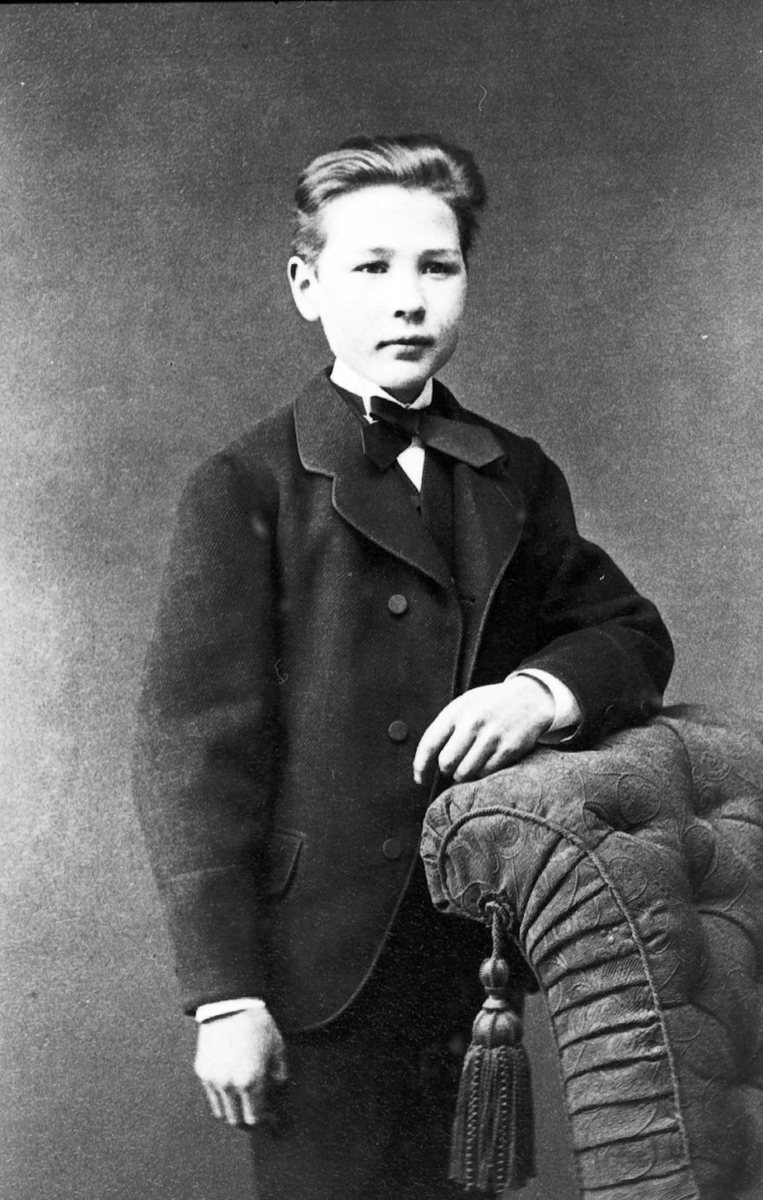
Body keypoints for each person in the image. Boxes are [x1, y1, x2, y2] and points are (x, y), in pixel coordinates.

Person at [133, 134, 674, 1199]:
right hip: (314, 971)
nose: (408, 300)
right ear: (306, 286)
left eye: (437, 266)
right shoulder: (245, 483)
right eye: (371, 267)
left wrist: (537, 693)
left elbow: (628, 632)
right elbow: (193, 753)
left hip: (473, 959)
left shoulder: (512, 472)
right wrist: (225, 996)